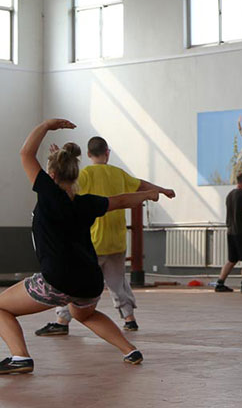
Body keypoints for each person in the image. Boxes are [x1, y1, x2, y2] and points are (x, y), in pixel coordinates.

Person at [0, 119, 159, 374]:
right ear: (75, 174)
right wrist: (149, 194)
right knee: (84, 315)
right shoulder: (87, 203)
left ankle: (20, 357)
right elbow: (120, 200)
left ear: (51, 176)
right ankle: (130, 350)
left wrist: (46, 125)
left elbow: (26, 153)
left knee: (0, 307)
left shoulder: (48, 194)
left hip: (57, 280)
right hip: (89, 282)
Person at [34, 136, 175, 336]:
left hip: (94, 242)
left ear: (89, 154)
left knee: (73, 282)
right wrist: (161, 190)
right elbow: (139, 185)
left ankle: (62, 321)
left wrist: (58, 160)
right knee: (118, 283)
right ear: (107, 152)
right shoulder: (118, 174)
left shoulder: (85, 174)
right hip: (117, 241)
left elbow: (64, 186)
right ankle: (129, 318)